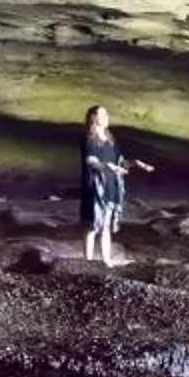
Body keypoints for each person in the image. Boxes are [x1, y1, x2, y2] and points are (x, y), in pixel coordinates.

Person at [80, 105, 151, 266]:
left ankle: (106, 261)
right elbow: (90, 162)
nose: (106, 117)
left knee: (105, 226)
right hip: (95, 188)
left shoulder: (111, 140)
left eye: (106, 113)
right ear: (93, 118)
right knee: (92, 225)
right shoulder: (89, 139)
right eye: (102, 114)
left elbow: (121, 162)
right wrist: (108, 166)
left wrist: (136, 163)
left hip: (111, 186)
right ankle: (87, 262)